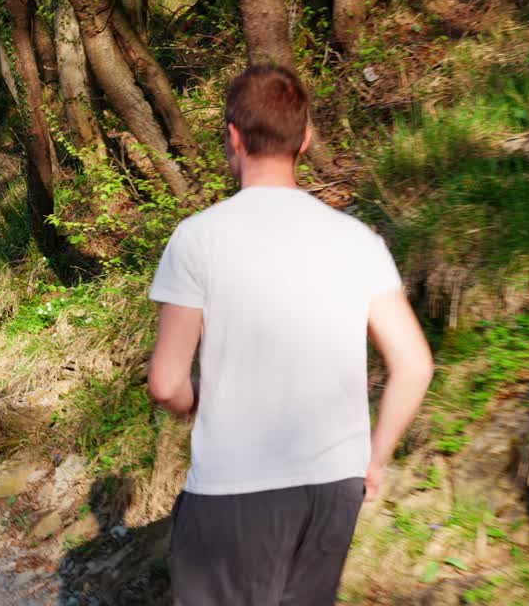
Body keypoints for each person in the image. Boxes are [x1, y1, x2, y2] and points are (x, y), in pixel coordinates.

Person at [147, 64, 435, 606]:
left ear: (233, 137)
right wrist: (375, 459)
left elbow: (165, 382)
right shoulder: (358, 240)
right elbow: (415, 365)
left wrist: (197, 402)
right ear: (305, 139)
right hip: (332, 488)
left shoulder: (198, 239)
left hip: (234, 491)